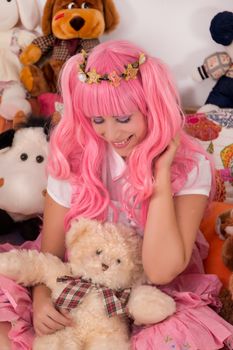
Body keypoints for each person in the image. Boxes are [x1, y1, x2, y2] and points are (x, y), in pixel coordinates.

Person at [0, 39, 233, 350]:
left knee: (176, 339)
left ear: (153, 108)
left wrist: (159, 179)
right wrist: (42, 300)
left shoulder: (190, 166)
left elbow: (161, 271)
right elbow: (50, 251)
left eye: (123, 119)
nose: (111, 134)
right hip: (73, 283)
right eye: (98, 120)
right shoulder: (74, 156)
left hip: (152, 295)